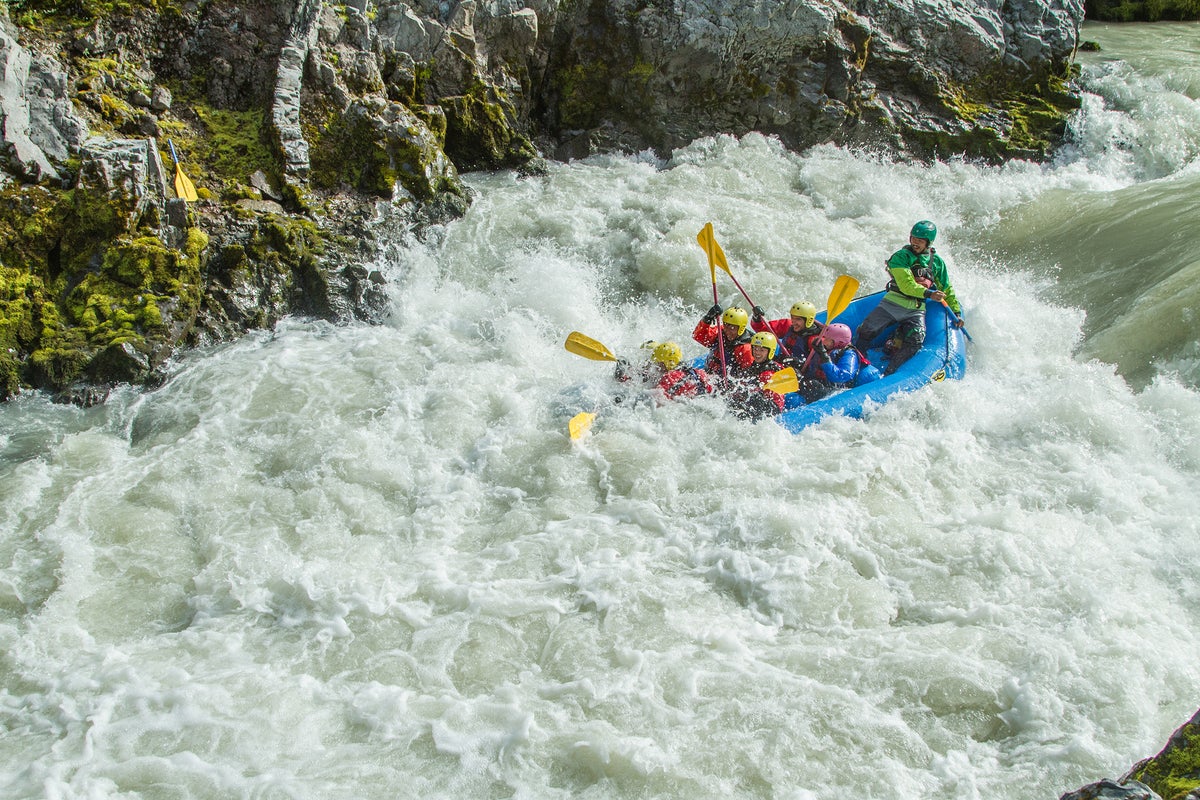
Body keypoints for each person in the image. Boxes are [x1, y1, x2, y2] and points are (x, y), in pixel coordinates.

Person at [853, 220, 965, 374]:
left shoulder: (937, 263)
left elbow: (947, 288)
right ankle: (858, 362)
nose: (915, 243)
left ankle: (891, 371)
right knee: (866, 330)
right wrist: (929, 294)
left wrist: (956, 312)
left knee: (916, 340)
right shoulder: (901, 257)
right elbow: (906, 285)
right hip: (892, 303)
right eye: (913, 238)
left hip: (916, 309)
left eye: (920, 241)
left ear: (929, 243)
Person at [797, 322, 880, 402]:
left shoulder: (849, 354)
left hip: (839, 389)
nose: (823, 341)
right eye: (824, 338)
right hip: (824, 383)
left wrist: (824, 356)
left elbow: (841, 377)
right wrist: (799, 366)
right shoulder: (825, 349)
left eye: (827, 339)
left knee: (813, 387)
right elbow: (813, 370)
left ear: (839, 342)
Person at [615, 340, 712, 401]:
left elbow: (652, 399)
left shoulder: (670, 377)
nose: (656, 366)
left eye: (659, 363)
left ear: (668, 363)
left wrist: (625, 399)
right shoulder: (698, 372)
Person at [724, 330, 786, 421]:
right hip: (757, 402)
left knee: (754, 397)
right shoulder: (753, 367)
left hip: (773, 407)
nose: (757, 353)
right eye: (755, 349)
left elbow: (771, 399)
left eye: (762, 350)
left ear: (770, 352)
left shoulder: (769, 374)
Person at [750, 300, 822, 367]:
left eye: (798, 319)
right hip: (782, 364)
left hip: (800, 373)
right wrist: (756, 319)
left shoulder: (814, 340)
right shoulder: (788, 325)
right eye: (792, 317)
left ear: (808, 320)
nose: (793, 322)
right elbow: (763, 330)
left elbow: (818, 366)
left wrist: (799, 363)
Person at [692, 304, 753, 375]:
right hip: (708, 368)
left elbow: (748, 374)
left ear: (741, 328)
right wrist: (707, 319)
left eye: (732, 328)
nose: (727, 331)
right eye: (726, 325)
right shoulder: (720, 331)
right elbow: (698, 336)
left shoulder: (745, 349)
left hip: (725, 380)